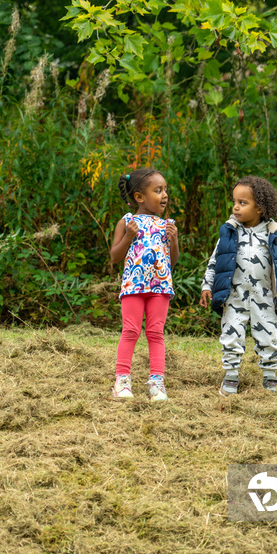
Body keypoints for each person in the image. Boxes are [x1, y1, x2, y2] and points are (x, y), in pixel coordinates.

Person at [200, 175, 277, 396]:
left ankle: (270, 375)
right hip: (234, 296)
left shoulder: (272, 234)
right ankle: (231, 375)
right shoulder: (229, 233)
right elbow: (216, 260)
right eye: (234, 201)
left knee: (268, 335)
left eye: (243, 203)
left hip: (264, 297)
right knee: (231, 335)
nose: (235, 207)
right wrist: (207, 286)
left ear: (260, 208)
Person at [110, 168, 179, 401]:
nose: (165, 195)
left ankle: (157, 383)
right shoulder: (127, 222)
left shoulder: (166, 225)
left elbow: (172, 261)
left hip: (160, 287)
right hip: (133, 287)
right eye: (158, 190)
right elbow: (115, 257)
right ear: (139, 197)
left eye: (165, 190)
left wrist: (174, 240)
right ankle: (122, 381)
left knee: (155, 332)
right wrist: (129, 236)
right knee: (130, 330)